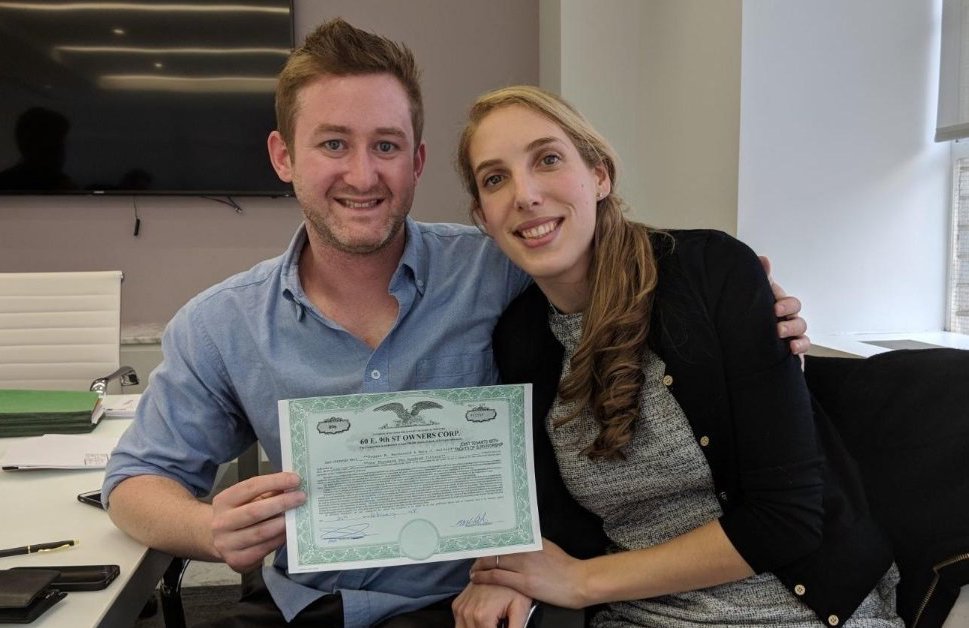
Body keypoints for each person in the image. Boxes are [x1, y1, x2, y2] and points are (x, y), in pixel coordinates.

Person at [102, 19, 808, 628]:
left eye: (385, 146)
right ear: (284, 157)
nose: (362, 175)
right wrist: (208, 528)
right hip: (310, 604)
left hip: (480, 602)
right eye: (333, 144)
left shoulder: (500, 267)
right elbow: (136, 481)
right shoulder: (221, 324)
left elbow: (613, 256)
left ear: (416, 163)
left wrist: (750, 304)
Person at [451, 85, 902, 628]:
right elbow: (545, 514)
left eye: (547, 159)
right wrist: (502, 576)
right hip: (632, 616)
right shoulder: (519, 336)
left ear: (600, 175)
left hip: (793, 606)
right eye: (495, 179)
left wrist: (582, 581)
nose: (524, 195)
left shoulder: (712, 273)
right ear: (483, 216)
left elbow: (787, 518)